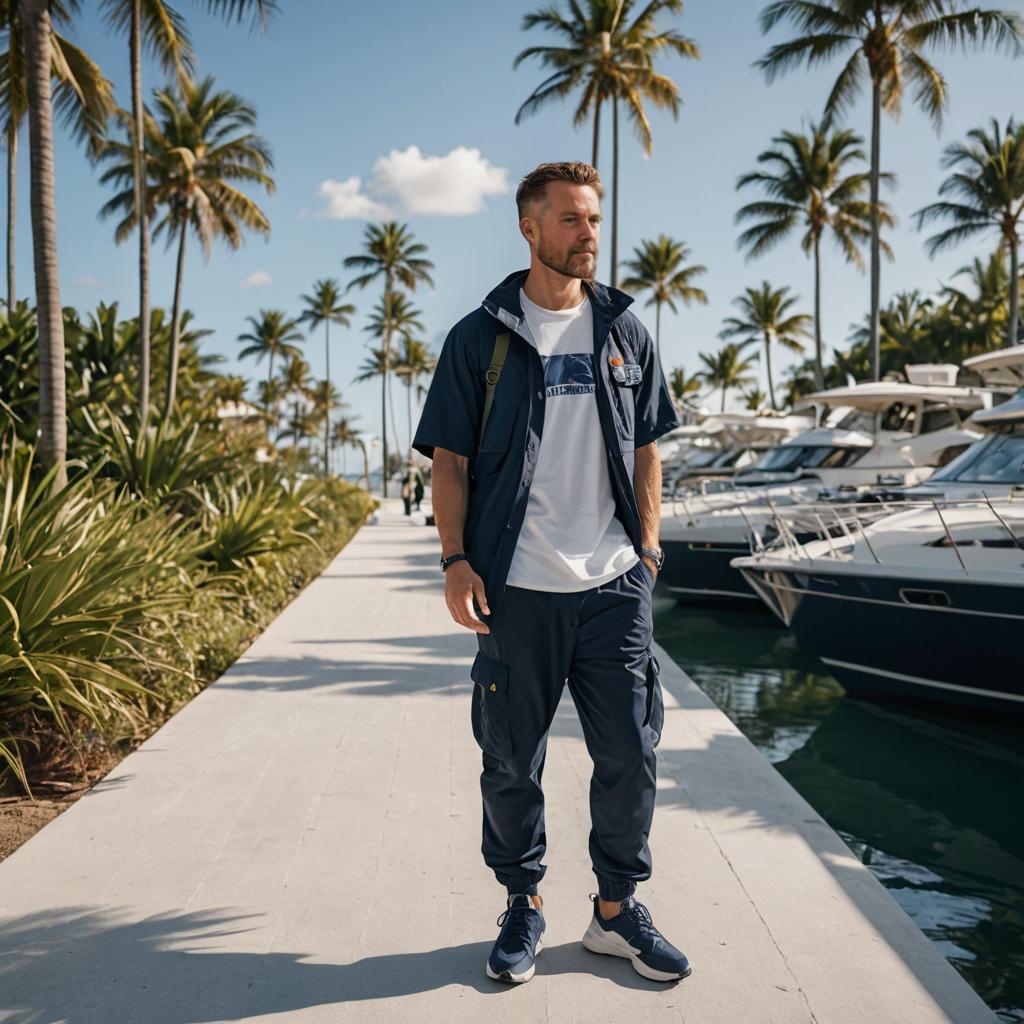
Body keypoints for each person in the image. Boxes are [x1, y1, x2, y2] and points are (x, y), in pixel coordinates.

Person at [412, 161, 689, 986]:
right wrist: (455, 559)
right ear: (530, 228)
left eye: (594, 219)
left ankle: (614, 913)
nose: (589, 234)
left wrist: (647, 549)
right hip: (516, 589)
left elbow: (647, 449)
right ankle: (523, 903)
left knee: (632, 754)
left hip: (613, 588)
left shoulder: (625, 332)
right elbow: (449, 462)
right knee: (510, 759)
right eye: (571, 220)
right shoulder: (479, 338)